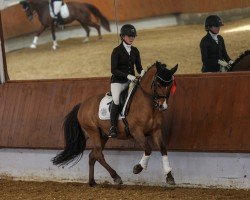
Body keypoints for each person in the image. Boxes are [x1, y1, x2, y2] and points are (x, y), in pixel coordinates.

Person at [108, 24, 145, 138]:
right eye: (129, 36)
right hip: (118, 82)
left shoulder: (135, 50)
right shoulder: (116, 51)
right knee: (116, 99)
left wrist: (143, 72)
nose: (132, 38)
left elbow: (138, 67)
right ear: (123, 36)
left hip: (131, 81)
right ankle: (113, 127)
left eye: (133, 36)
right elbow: (113, 70)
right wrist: (128, 76)